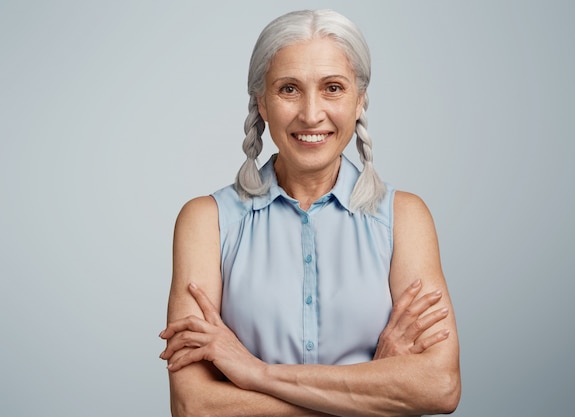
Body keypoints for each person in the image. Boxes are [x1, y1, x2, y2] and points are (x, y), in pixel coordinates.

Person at [159, 9, 460, 417]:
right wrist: (373, 385)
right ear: (262, 103)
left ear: (360, 99)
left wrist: (254, 373)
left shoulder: (406, 218)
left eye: (333, 88)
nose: (311, 114)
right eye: (289, 89)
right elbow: (195, 406)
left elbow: (439, 387)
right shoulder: (205, 222)